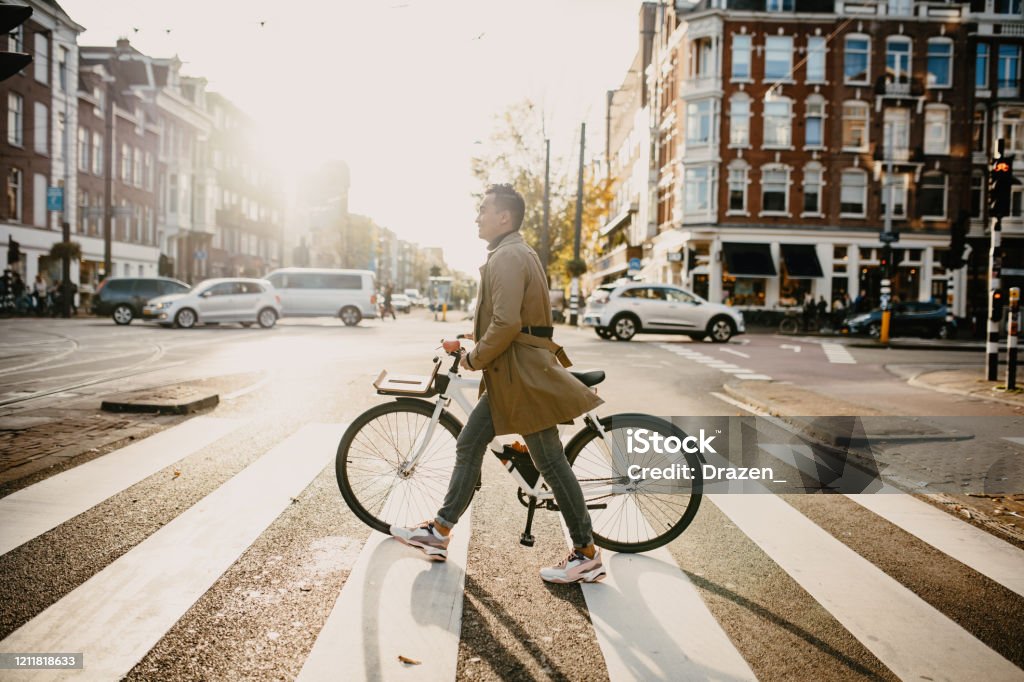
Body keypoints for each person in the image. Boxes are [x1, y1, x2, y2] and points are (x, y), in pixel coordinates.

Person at [390, 184, 607, 584]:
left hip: (521, 377)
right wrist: (472, 340)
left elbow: (508, 324)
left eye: (483, 210)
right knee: (470, 443)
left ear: (504, 217)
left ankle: (586, 552)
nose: (477, 217)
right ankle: (439, 532)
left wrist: (473, 358)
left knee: (551, 463)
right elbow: (514, 322)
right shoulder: (512, 252)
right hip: (513, 373)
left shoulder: (508, 256)